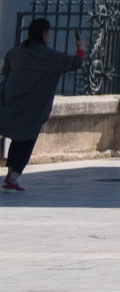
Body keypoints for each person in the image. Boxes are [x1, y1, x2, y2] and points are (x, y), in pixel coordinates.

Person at [1, 19, 82, 193]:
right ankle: (13, 177)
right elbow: (75, 63)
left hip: (13, 104)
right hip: (34, 108)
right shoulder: (50, 57)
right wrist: (80, 48)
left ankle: (10, 176)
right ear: (45, 33)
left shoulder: (15, 53)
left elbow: (6, 71)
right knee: (27, 141)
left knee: (16, 139)